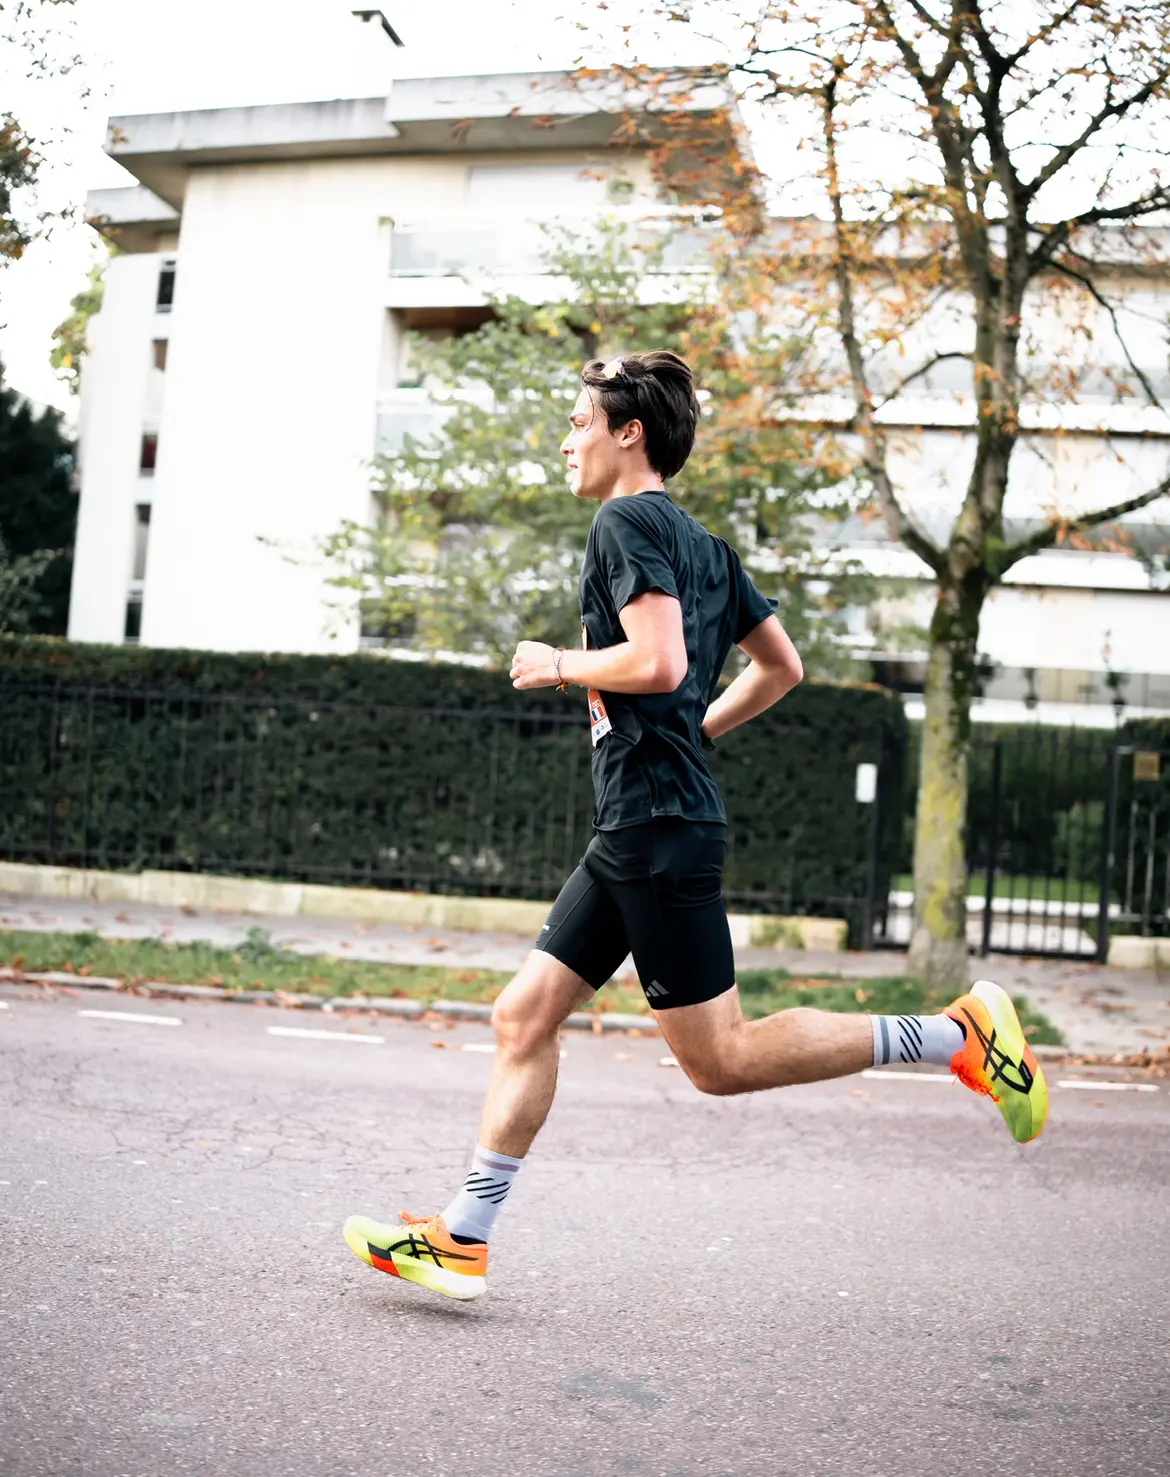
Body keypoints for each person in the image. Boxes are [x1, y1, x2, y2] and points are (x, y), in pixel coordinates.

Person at [344, 350, 1048, 1301]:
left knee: (722, 1061)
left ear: (628, 431)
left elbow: (661, 660)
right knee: (523, 1015)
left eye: (579, 422)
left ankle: (957, 1034)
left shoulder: (624, 518)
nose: (567, 440)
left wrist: (560, 663)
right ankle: (462, 1237)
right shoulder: (706, 545)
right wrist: (695, 729)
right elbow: (780, 665)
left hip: (654, 826)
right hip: (643, 820)